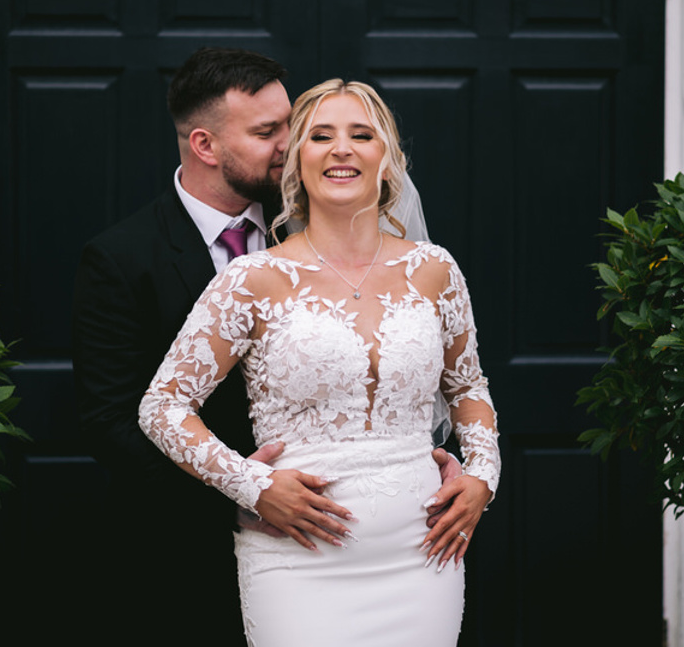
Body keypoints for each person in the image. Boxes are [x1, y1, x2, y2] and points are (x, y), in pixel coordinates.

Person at [72, 49, 463, 645]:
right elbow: (112, 418)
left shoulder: (341, 223)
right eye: (268, 132)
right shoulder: (121, 259)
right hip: (201, 543)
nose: (293, 142)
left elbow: (422, 368)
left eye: (291, 126)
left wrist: (446, 463)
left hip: (398, 543)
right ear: (206, 145)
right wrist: (244, 497)